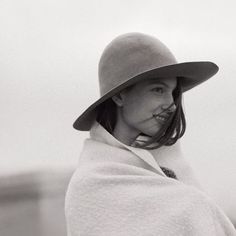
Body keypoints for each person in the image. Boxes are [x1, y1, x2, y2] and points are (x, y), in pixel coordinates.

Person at [65, 32, 236, 235]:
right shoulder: (91, 185)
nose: (171, 105)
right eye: (158, 90)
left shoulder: (172, 169)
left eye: (173, 93)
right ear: (120, 95)